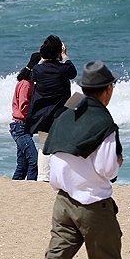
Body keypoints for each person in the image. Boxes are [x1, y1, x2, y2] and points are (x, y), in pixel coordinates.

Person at [17, 61, 130, 259]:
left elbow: (52, 153)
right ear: (106, 90)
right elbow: (107, 169)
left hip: (62, 202)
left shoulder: (65, 113)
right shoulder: (104, 121)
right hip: (93, 206)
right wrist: (118, 161)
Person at [28, 35, 77, 182]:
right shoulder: (64, 69)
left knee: (44, 146)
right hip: (60, 116)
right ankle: (60, 176)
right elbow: (73, 71)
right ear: (58, 52)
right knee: (61, 147)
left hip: (41, 116)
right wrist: (64, 55)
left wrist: (45, 56)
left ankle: (43, 177)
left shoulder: (37, 70)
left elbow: (35, 70)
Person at [10, 53, 42, 180]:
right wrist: (37, 113)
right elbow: (23, 105)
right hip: (20, 126)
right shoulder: (26, 84)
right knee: (34, 161)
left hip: (22, 126)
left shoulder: (27, 82)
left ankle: (15, 188)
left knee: (22, 165)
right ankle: (31, 185)